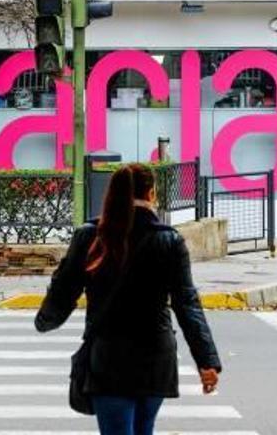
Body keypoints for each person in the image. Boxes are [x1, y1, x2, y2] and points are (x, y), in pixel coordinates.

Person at [35, 163, 222, 435]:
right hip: (156, 356)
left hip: (110, 358)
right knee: (144, 430)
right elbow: (187, 304)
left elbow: (64, 289)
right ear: (151, 193)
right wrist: (207, 361)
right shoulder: (170, 241)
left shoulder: (91, 236)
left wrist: (45, 320)